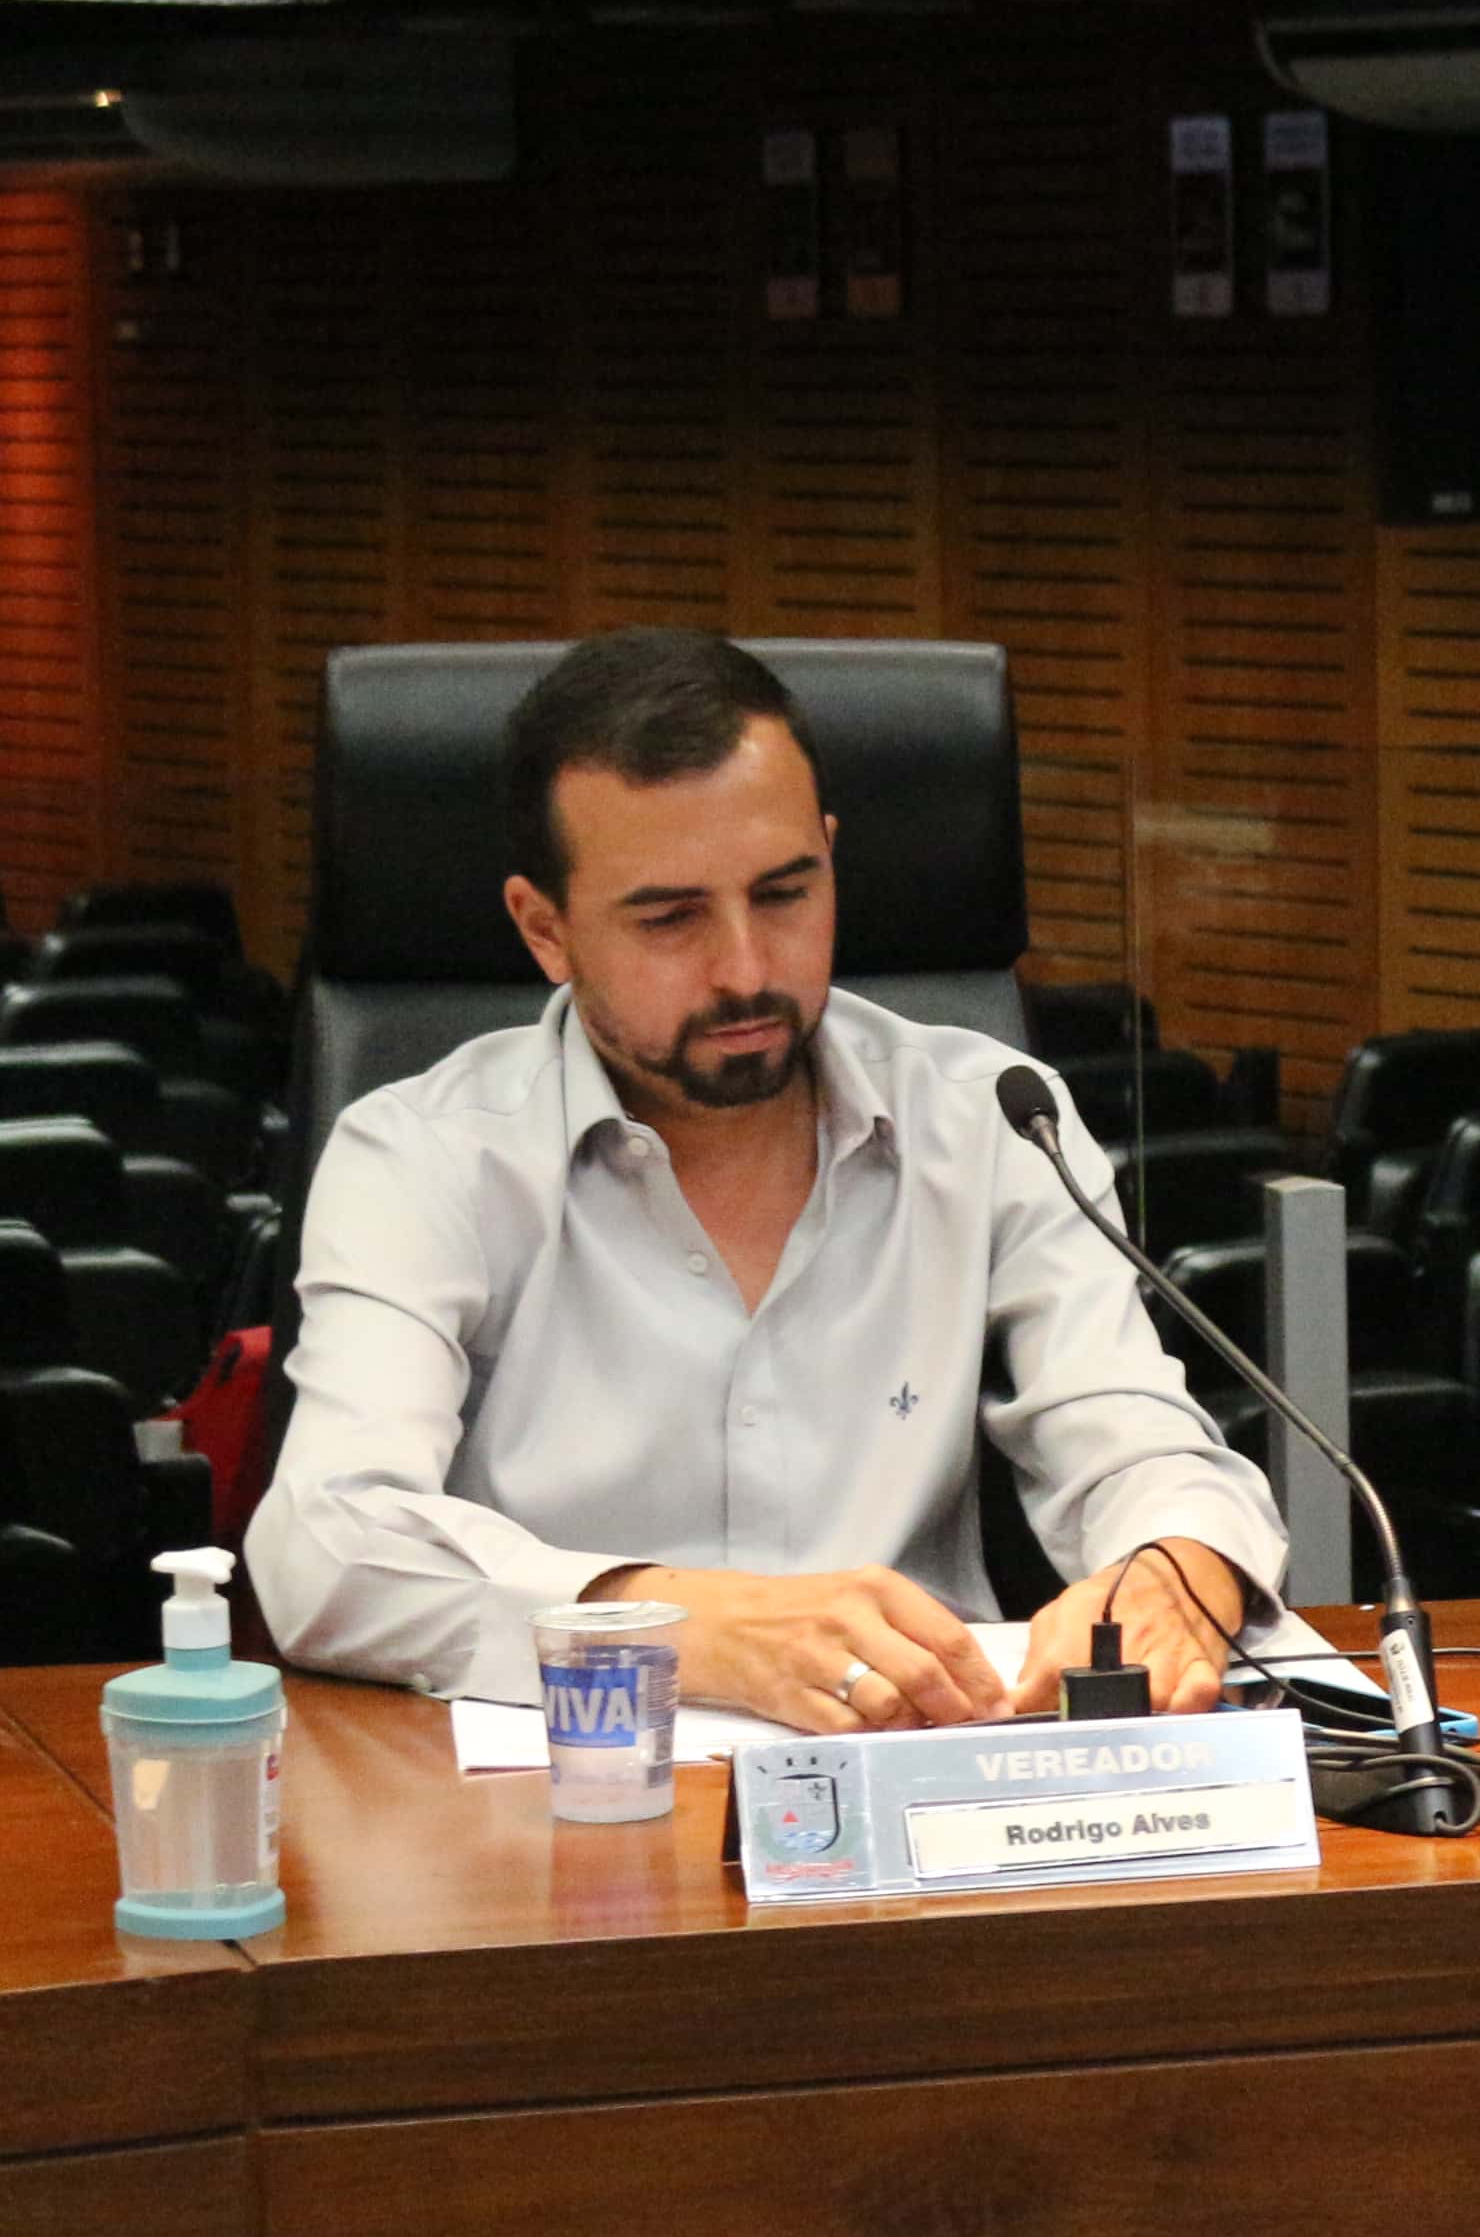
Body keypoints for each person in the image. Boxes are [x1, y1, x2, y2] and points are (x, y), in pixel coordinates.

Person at [254, 630, 1287, 1720]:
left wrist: (1176, 1567)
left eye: (786, 894)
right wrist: (681, 1628)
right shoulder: (421, 1156)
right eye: (670, 918)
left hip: (923, 1770)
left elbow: (1134, 1440)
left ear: (831, 858)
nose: (745, 970)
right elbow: (326, 1542)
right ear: (545, 930)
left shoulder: (991, 1119)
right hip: (579, 1785)